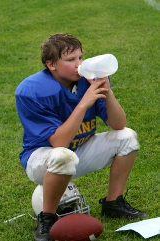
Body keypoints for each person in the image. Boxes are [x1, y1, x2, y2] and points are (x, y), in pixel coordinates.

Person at [15, 33, 147, 241]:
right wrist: (84, 103)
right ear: (51, 64)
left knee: (127, 137)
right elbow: (59, 143)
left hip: (79, 150)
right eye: (70, 60)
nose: (79, 65)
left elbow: (118, 124)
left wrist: (107, 91)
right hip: (42, 159)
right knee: (62, 156)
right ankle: (47, 218)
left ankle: (113, 202)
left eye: (80, 57)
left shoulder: (89, 80)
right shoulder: (32, 90)